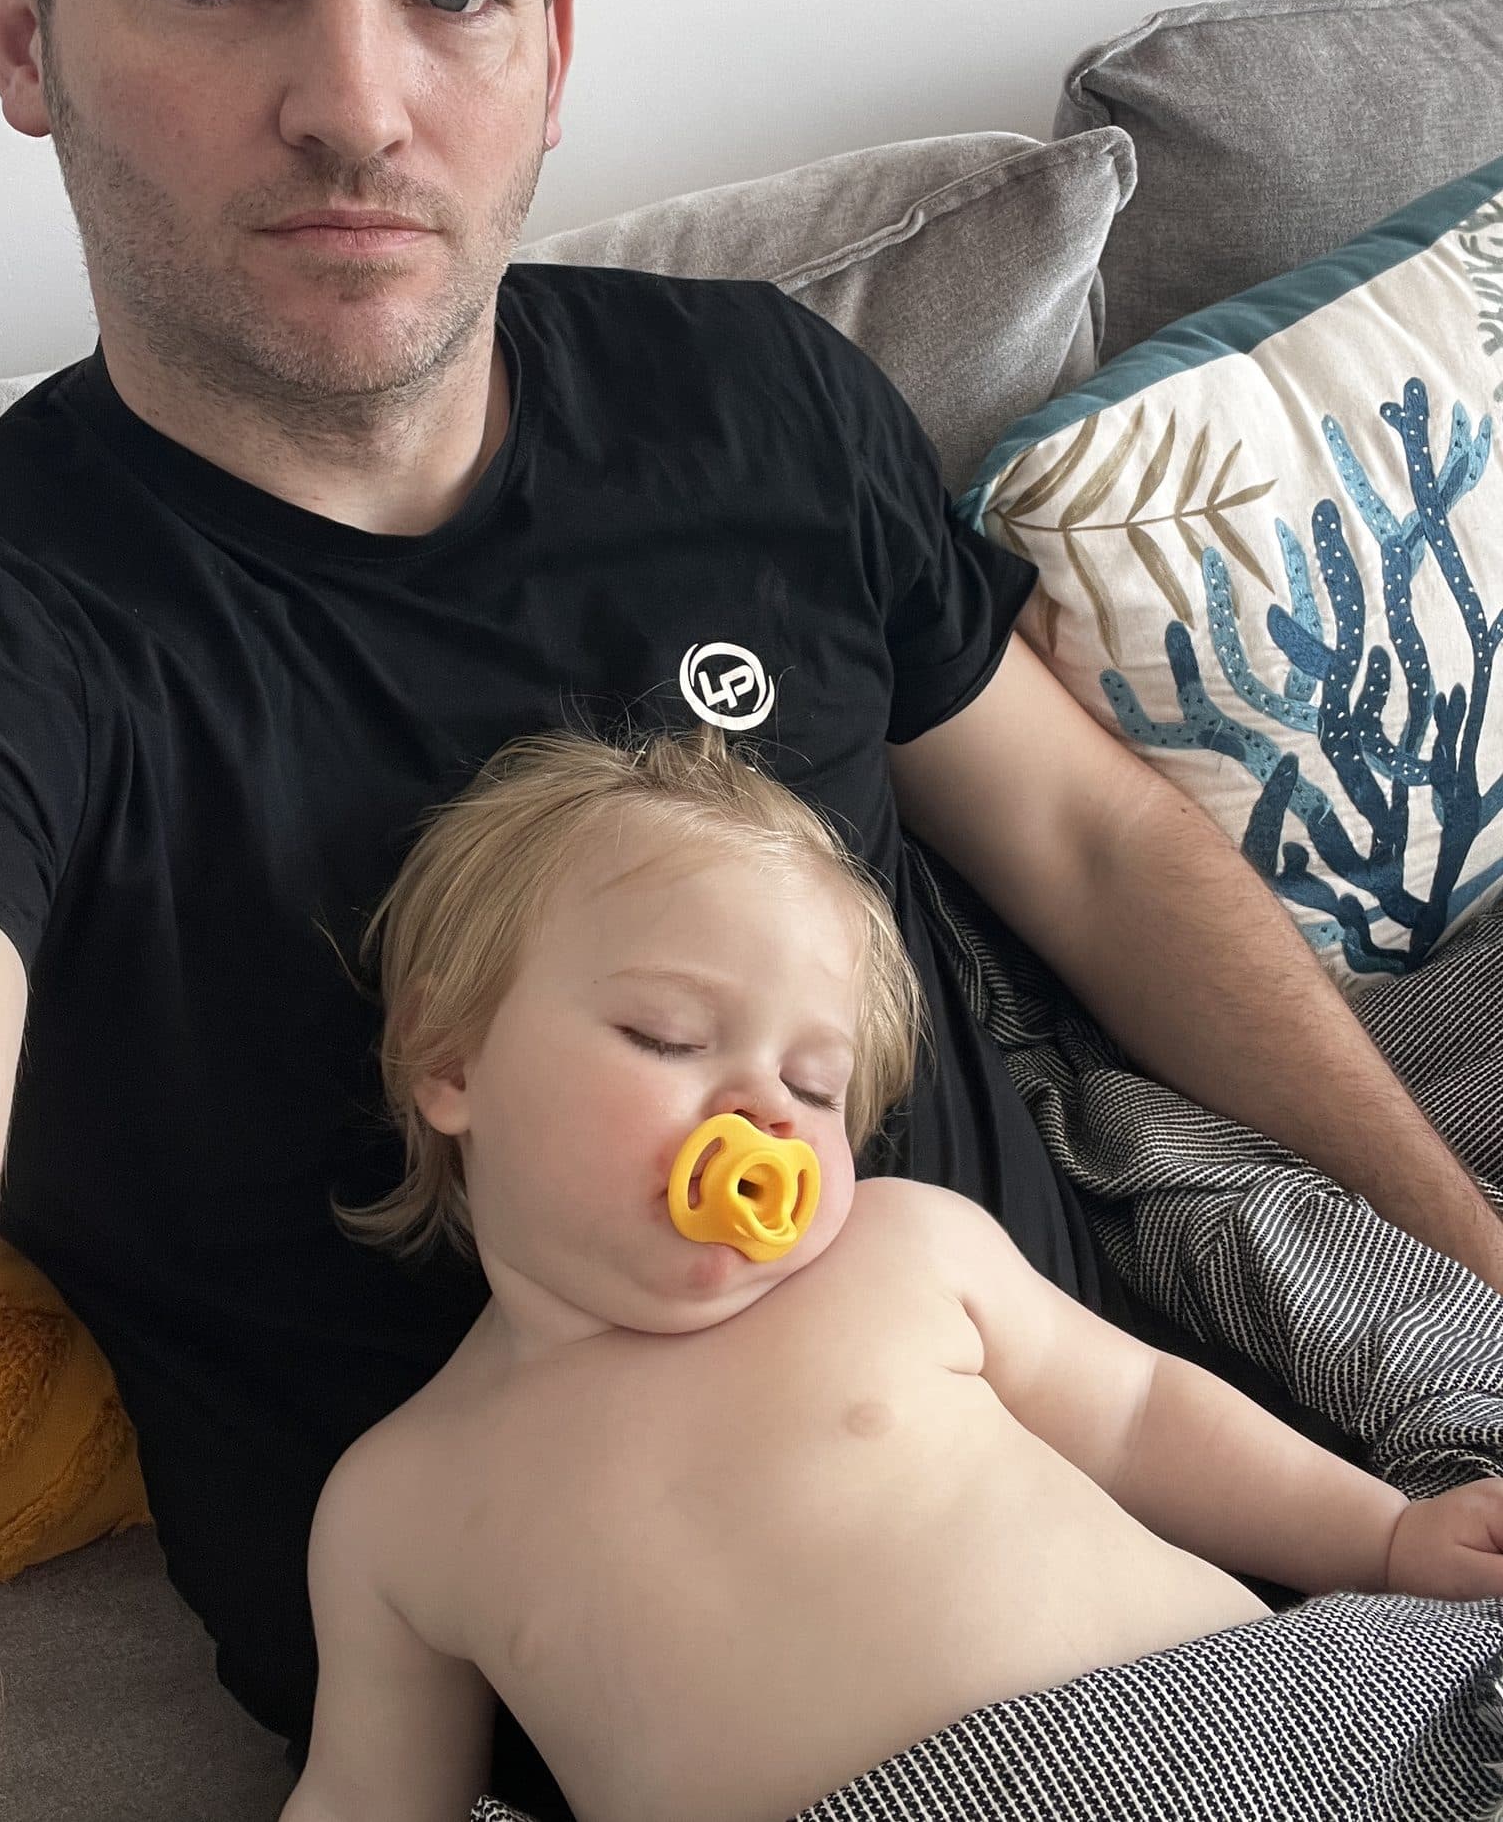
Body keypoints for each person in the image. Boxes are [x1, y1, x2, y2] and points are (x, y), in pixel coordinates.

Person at [0, 0, 1500, 1814]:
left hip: (1223, 1579)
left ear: (547, 48)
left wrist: (1469, 1274)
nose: (356, 105)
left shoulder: (755, 401)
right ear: (23, 28)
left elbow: (1099, 855)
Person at [279, 725, 1503, 1822]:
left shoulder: (900, 1250)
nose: (764, 1107)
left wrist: (1384, 1540)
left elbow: (1139, 1416)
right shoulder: (397, 1505)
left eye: (817, 1089)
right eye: (665, 1037)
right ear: (448, 1061)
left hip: (1264, 1739)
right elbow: (368, 1793)